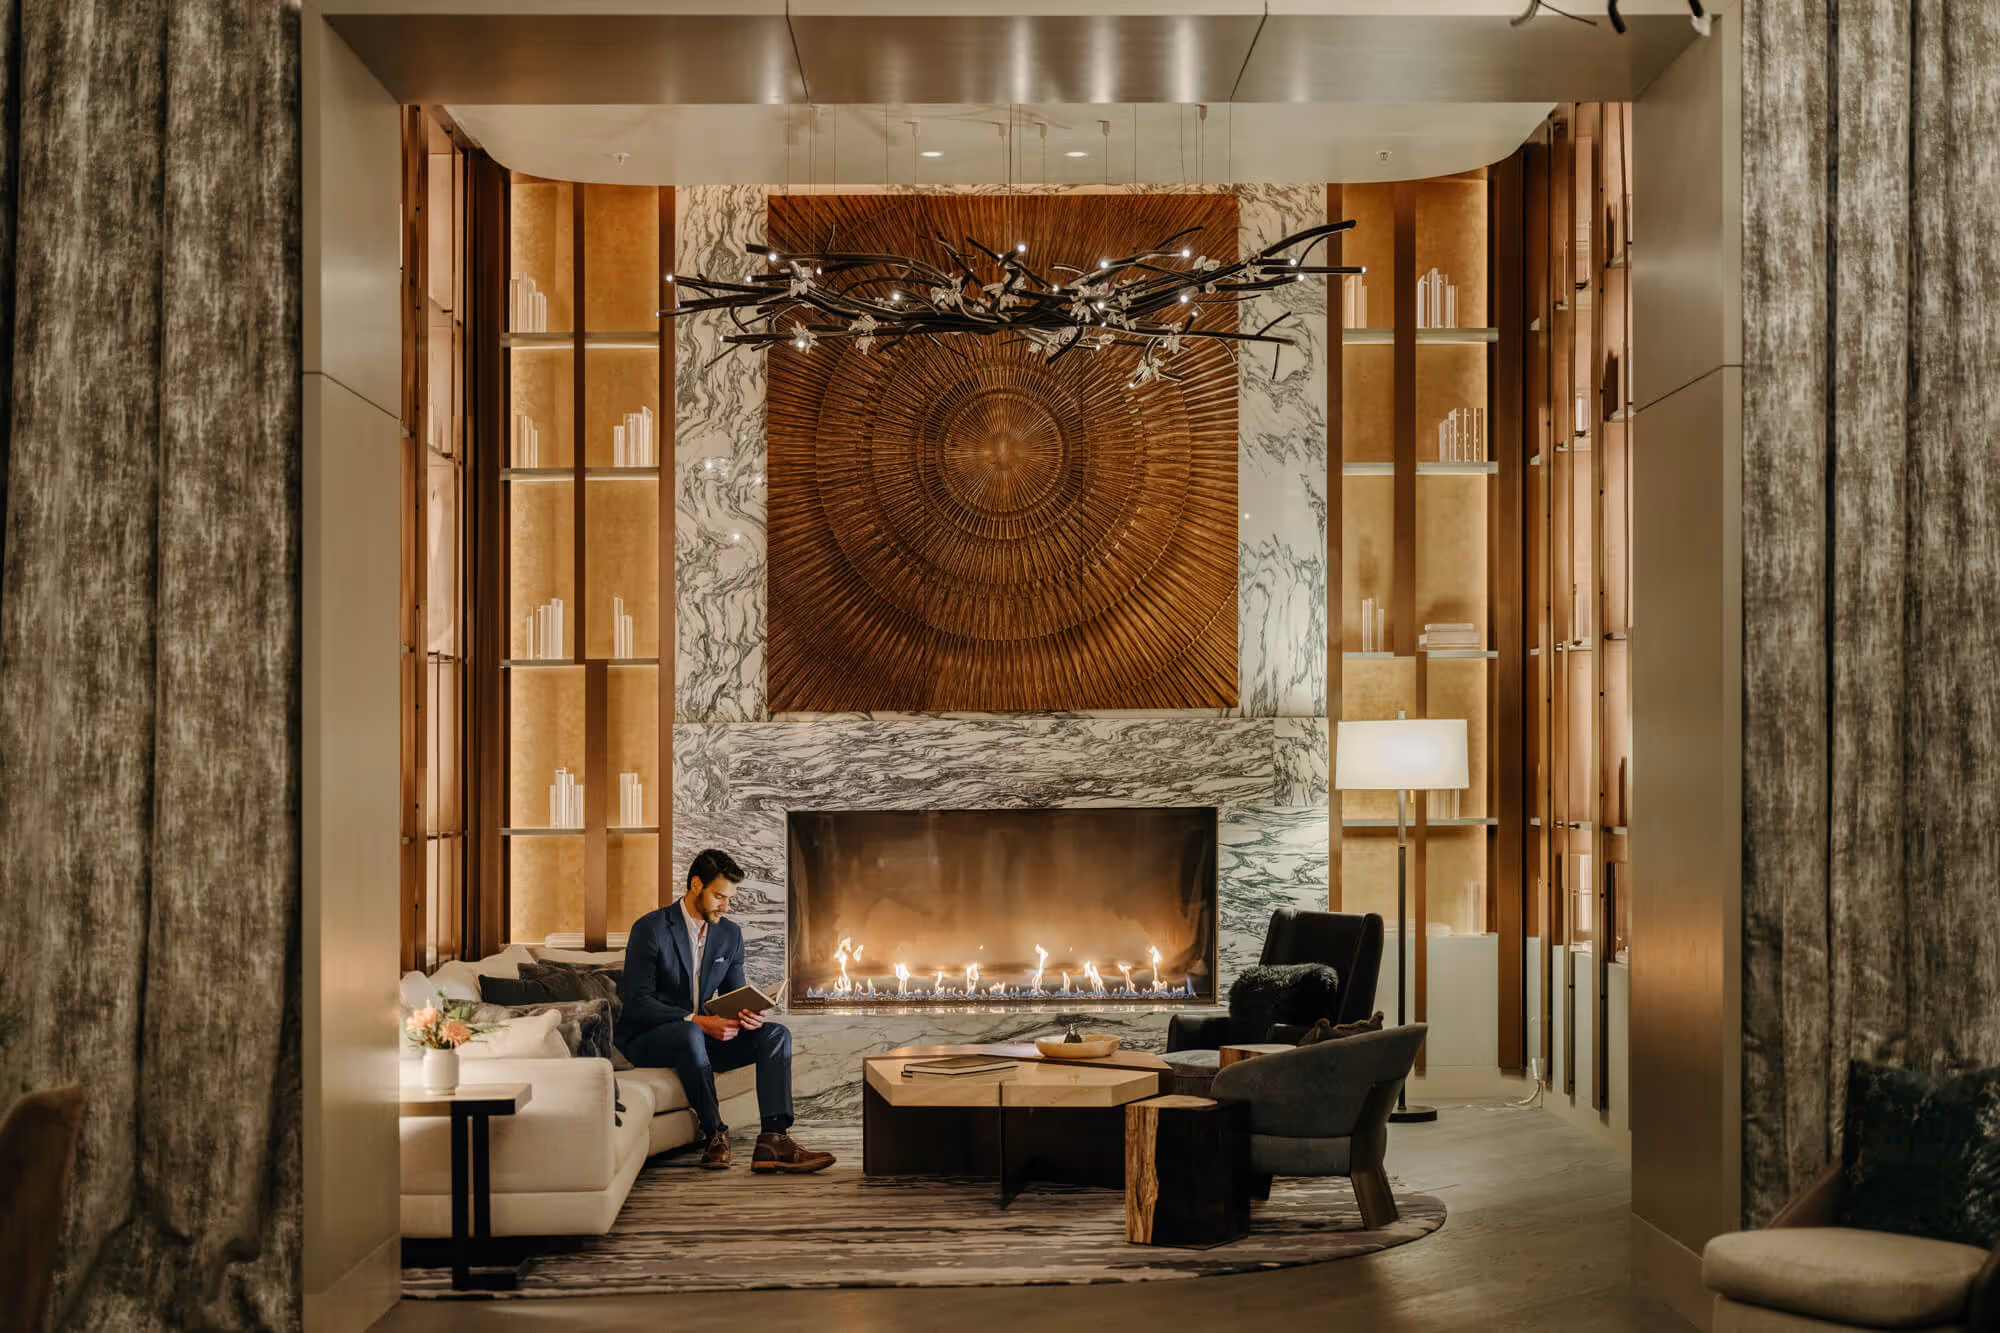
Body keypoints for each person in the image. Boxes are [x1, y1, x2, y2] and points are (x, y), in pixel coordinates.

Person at [616, 848, 836, 1173]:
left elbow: (734, 994)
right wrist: (698, 1021)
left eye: (730, 898)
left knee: (775, 1035)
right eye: (719, 896)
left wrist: (748, 1013)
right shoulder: (651, 929)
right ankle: (715, 1133)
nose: (725, 905)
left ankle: (773, 1140)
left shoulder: (729, 934)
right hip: (652, 1039)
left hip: (703, 1040)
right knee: (691, 1030)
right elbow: (638, 1001)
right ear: (695, 885)